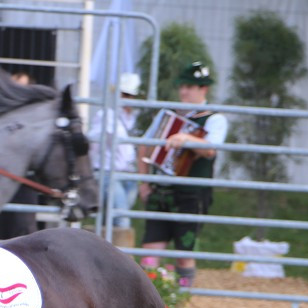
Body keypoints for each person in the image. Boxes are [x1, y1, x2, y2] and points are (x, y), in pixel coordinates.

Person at [138, 61, 228, 290]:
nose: (184, 91)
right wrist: (144, 182)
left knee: (184, 253)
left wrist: (185, 139)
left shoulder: (214, 119)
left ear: (203, 89)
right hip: (162, 191)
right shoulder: (168, 115)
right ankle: (151, 307)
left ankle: (179, 307)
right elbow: (143, 147)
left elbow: (210, 148)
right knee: (149, 254)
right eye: (183, 86)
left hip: (191, 195)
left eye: (191, 86)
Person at [88, 72, 141, 244]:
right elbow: (94, 144)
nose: (127, 99)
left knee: (112, 217)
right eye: (125, 94)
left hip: (128, 174)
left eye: (131, 95)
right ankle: (121, 261)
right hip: (109, 173)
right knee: (121, 218)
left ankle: (104, 255)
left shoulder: (132, 119)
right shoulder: (106, 115)